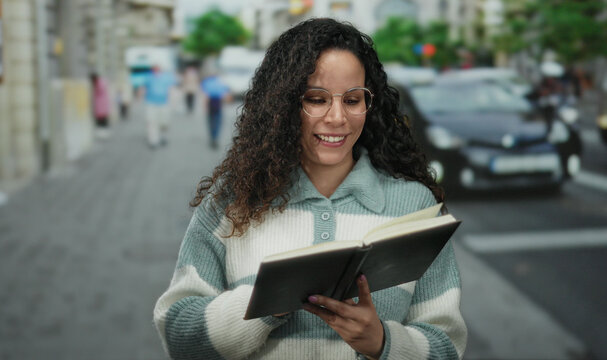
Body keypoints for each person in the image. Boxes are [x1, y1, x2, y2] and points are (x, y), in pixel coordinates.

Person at [154, 18, 467, 359]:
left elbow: (447, 347)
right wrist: (268, 301)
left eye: (352, 100)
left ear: (369, 104)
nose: (337, 118)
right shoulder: (232, 201)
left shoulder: (415, 207)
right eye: (316, 99)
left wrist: (381, 342)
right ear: (284, 105)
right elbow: (178, 336)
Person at [143, 65, 177, 148]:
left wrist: (173, 102)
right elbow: (143, 88)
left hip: (164, 103)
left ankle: (163, 136)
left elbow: (171, 89)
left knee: (164, 122)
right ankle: (153, 140)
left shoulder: (167, 77)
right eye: (154, 68)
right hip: (151, 103)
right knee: (152, 121)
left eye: (157, 68)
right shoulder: (148, 77)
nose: (156, 70)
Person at [200, 71, 231, 148]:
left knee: (211, 121)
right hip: (218, 103)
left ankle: (213, 136)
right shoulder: (220, 83)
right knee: (217, 121)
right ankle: (215, 137)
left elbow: (205, 95)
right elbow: (225, 95)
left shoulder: (206, 82)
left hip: (211, 102)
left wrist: (204, 106)